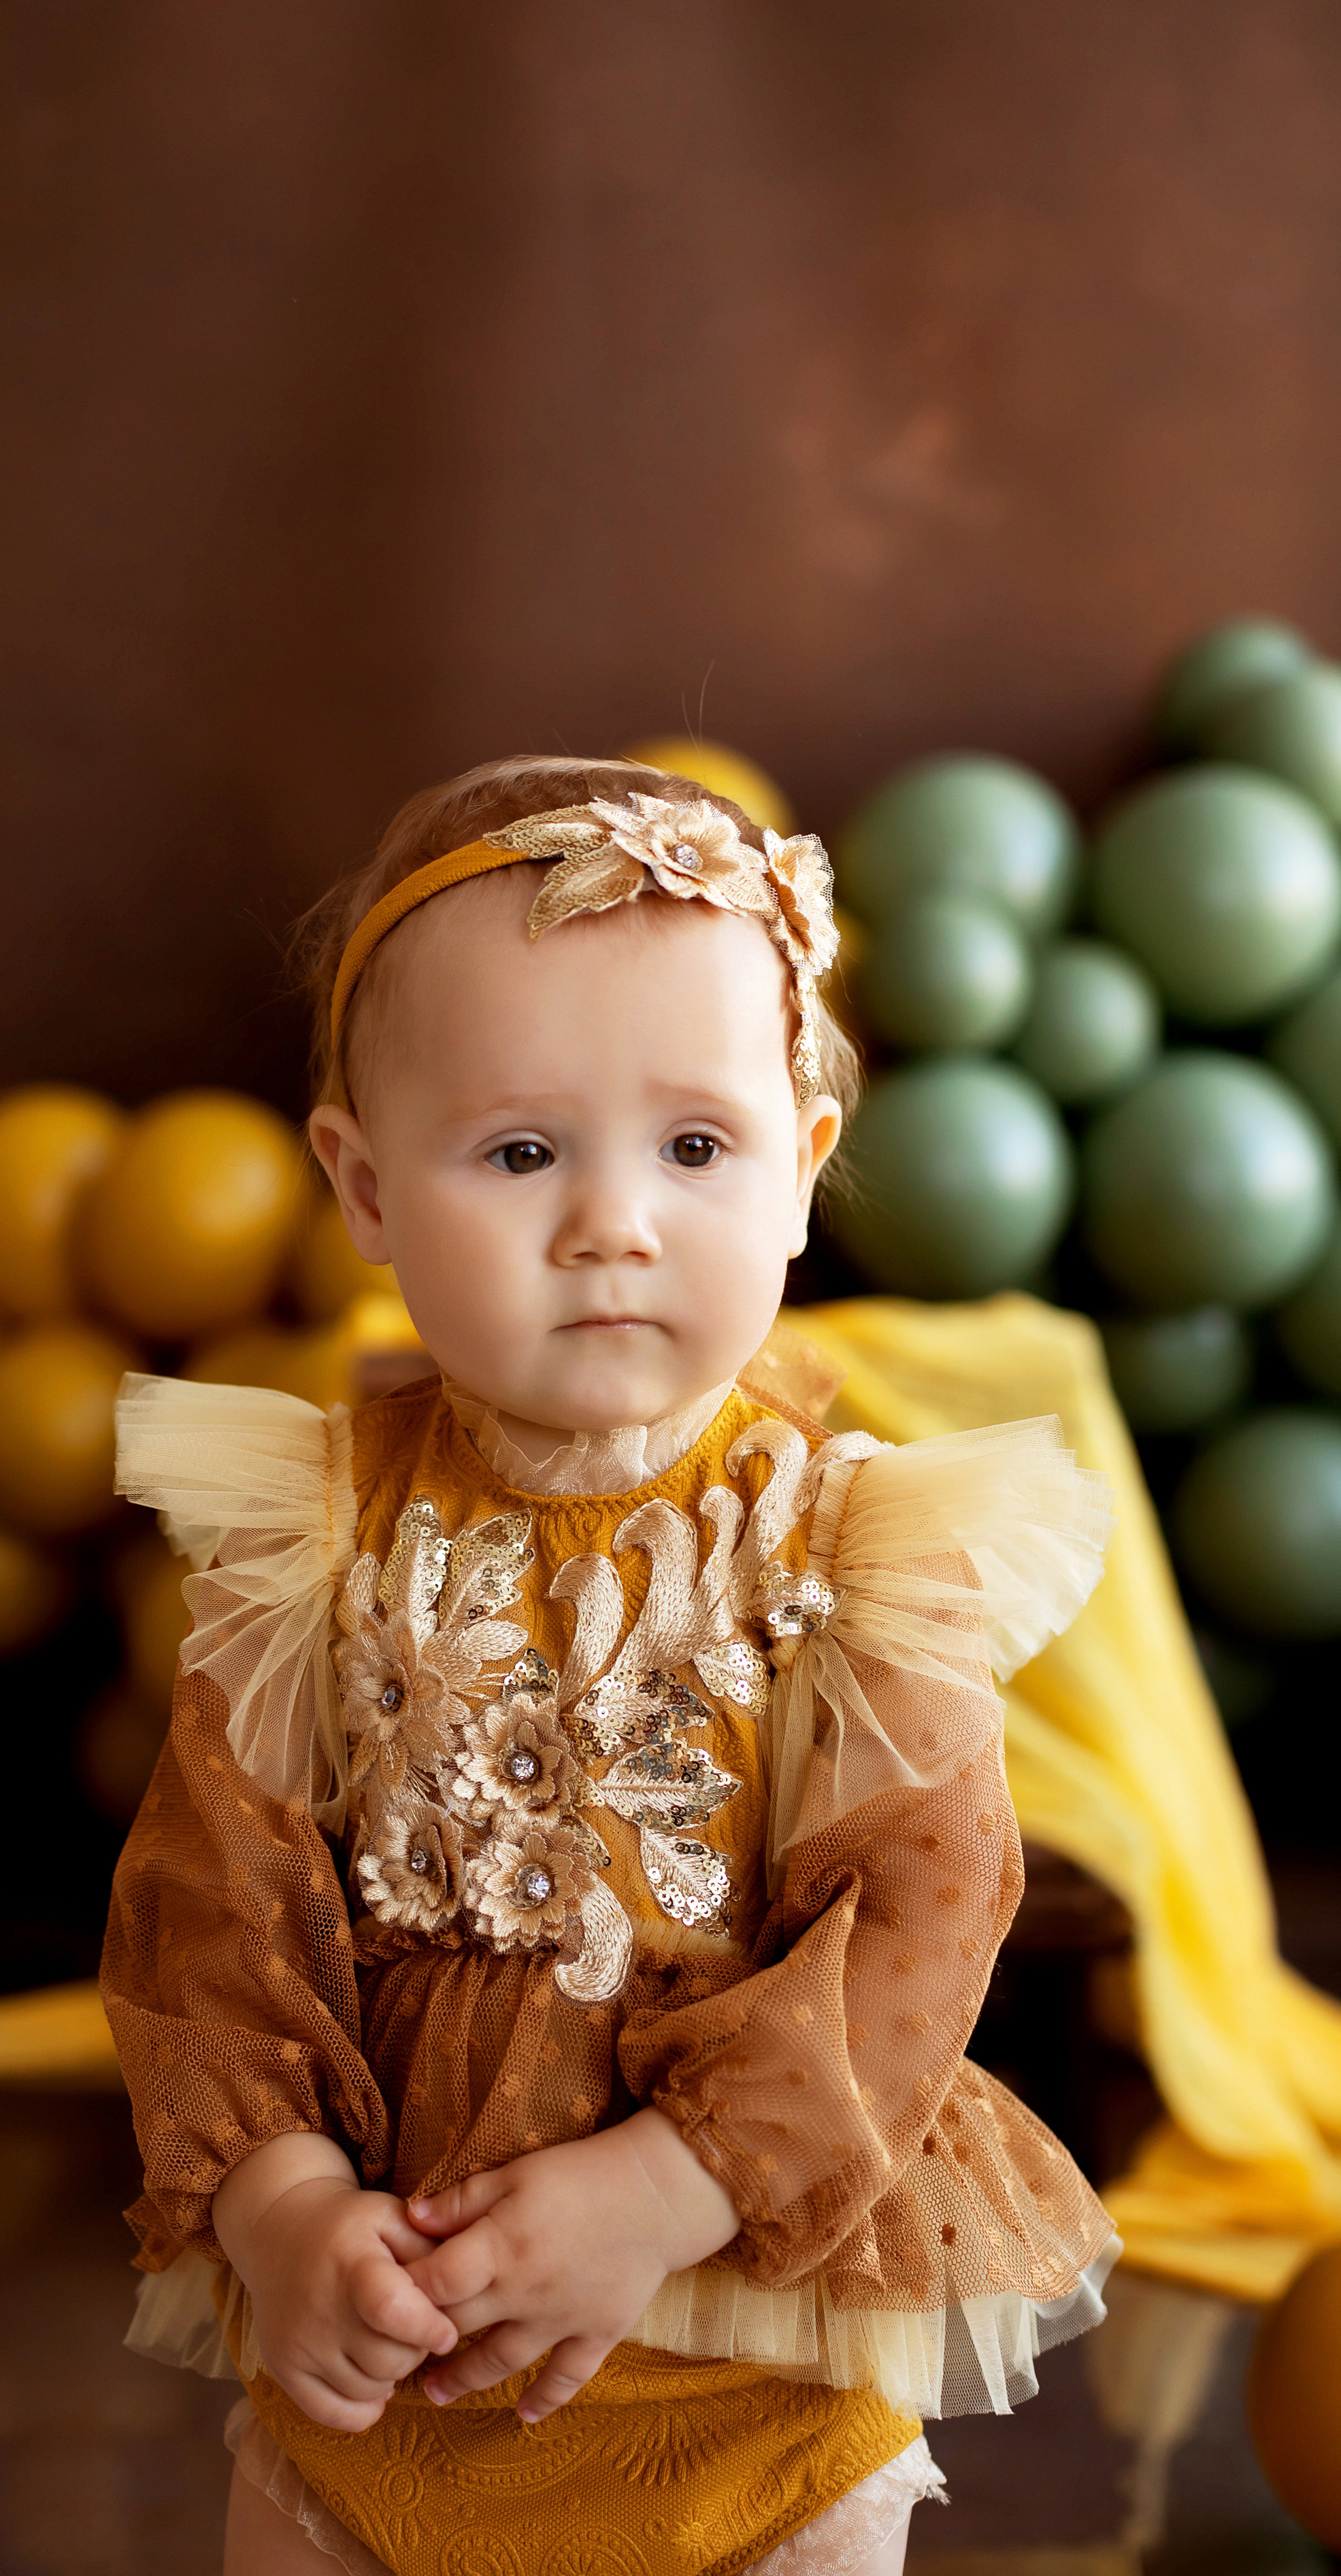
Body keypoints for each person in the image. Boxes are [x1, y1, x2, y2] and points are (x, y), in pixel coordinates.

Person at [102, 757, 1119, 2576]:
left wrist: (671, 2184)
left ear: (801, 1171)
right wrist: (281, 2203)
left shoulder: (846, 1550)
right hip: (393, 2335)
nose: (612, 1223)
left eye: (697, 1149)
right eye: (521, 1153)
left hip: (746, 2345)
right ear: (365, 1190)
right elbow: (214, 1902)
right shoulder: (316, 1532)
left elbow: (919, 1916)